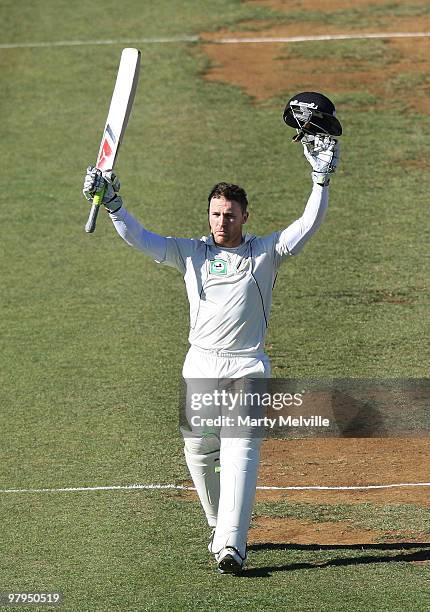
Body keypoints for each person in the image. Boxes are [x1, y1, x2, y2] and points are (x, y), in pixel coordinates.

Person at [83, 134, 340, 573]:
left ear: (245, 216)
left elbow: (306, 225)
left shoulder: (265, 252)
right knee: (200, 452)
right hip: (200, 363)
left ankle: (232, 548)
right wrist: (113, 205)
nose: (222, 222)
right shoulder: (191, 253)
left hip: (247, 366)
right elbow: (141, 239)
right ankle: (220, 526)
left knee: (240, 451)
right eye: (216, 214)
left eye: (230, 215)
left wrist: (320, 180)